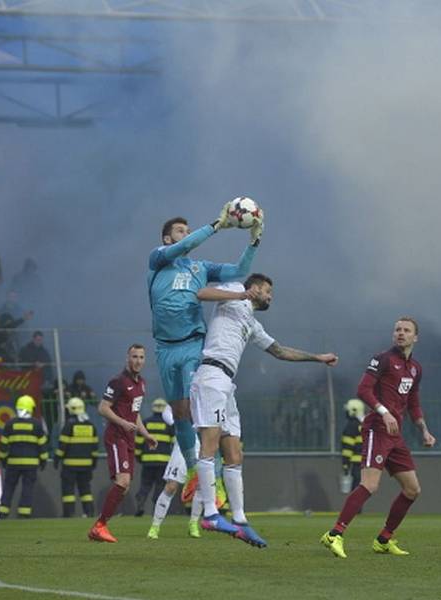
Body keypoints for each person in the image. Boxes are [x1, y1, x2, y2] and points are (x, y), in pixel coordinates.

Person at [190, 273, 338, 547]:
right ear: (255, 288)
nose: (270, 297)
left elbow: (280, 351)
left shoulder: (252, 323)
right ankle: (210, 513)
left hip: (227, 384)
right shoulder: (234, 291)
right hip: (211, 375)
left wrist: (317, 358)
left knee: (235, 453)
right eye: (268, 291)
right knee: (209, 445)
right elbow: (201, 294)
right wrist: (240, 294)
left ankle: (240, 520)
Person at [149, 206, 262, 474]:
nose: (186, 235)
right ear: (167, 239)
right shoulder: (158, 259)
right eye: (180, 231)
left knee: (196, 410)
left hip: (192, 344)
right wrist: (215, 226)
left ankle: (213, 477)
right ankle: (191, 473)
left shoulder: (201, 267)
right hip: (165, 347)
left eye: (188, 231)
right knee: (179, 414)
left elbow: (239, 270)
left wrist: (254, 242)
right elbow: (187, 245)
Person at [321, 317, 436, 559]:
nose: (400, 333)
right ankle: (334, 534)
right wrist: (384, 413)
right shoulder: (383, 359)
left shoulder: (415, 368)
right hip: (377, 428)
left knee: (412, 490)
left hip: (396, 435)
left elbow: (413, 403)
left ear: (416, 337)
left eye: (406, 330)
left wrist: (424, 430)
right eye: (397, 329)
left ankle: (384, 539)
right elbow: (363, 389)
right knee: (370, 484)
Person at [88, 344, 157, 543]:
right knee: (123, 481)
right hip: (116, 435)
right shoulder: (118, 381)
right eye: (134, 356)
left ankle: (100, 526)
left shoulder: (141, 384)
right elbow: (103, 408)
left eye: (141, 357)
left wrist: (146, 435)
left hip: (129, 438)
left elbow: (134, 416)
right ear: (127, 358)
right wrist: (122, 422)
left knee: (124, 486)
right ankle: (99, 526)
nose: (138, 361)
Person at [147, 403, 206, 540]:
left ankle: (193, 524)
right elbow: (167, 410)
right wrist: (176, 423)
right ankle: (155, 526)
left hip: (203, 445)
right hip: (183, 445)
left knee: (200, 486)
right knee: (171, 486)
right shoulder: (184, 390)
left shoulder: (207, 393)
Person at [0, 395, 48, 519]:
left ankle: (3, 512)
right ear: (30, 408)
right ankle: (24, 514)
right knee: (27, 488)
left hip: (13, 463)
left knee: (8, 487)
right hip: (31, 464)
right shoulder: (36, 425)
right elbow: (42, 445)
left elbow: (3, 445)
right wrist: (43, 460)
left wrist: (3, 459)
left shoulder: (10, 424)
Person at [55, 397, 99, 518]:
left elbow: (62, 446)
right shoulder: (91, 426)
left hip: (70, 466)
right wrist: (93, 462)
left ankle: (69, 514)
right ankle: (89, 512)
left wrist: (57, 459)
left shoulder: (69, 425)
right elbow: (95, 447)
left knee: (68, 491)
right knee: (85, 490)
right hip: (86, 466)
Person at [134, 398, 174, 516]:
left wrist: (138, 457)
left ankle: (140, 504)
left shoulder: (145, 423)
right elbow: (175, 443)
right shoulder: (169, 424)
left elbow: (138, 442)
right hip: (164, 461)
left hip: (147, 461)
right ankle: (157, 509)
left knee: (145, 485)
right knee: (160, 486)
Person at [340, 399, 365, 493]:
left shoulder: (351, 426)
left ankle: (354, 508)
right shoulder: (364, 425)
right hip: (367, 464)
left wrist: (345, 465)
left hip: (356, 464)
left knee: (355, 491)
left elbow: (347, 448)